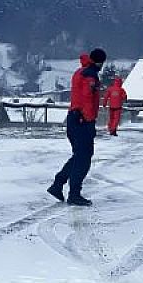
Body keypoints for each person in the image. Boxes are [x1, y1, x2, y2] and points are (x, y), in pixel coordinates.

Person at [48, 48, 106, 206]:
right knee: (84, 158)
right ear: (101, 62)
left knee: (79, 155)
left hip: (74, 118)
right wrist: (88, 121)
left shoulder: (81, 71)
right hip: (82, 121)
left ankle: (58, 184)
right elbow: (88, 99)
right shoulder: (90, 75)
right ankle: (74, 194)